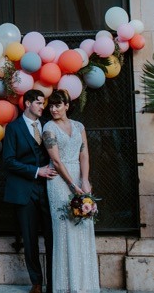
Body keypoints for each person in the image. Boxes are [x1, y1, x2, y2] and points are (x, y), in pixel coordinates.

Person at [42, 89, 100, 293]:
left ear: (67, 105)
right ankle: (66, 286)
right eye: (51, 106)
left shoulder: (79, 126)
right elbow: (56, 161)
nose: (54, 109)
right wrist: (72, 185)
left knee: (83, 227)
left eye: (58, 105)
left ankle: (85, 284)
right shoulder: (48, 128)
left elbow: (84, 154)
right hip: (60, 182)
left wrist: (84, 180)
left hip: (78, 177)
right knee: (65, 229)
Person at [4, 89, 59, 293]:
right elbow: (8, 161)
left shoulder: (48, 125)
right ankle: (36, 282)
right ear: (27, 103)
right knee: (30, 239)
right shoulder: (13, 128)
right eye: (38, 103)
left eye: (42, 103)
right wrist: (37, 171)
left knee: (53, 237)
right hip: (24, 190)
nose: (42, 107)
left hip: (49, 189)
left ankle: (53, 283)